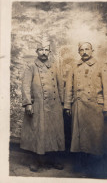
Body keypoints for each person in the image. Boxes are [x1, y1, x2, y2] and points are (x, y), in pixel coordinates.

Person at [64, 42, 107, 178]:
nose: (84, 52)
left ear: (92, 50)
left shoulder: (101, 66)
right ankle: (82, 168)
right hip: (78, 107)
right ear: (78, 52)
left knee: (95, 139)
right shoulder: (74, 67)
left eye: (87, 49)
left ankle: (94, 170)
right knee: (79, 139)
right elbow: (69, 87)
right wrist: (68, 105)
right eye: (81, 50)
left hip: (95, 108)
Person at [20, 37, 65, 172]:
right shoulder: (31, 67)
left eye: (46, 50)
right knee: (37, 132)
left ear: (49, 51)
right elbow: (25, 86)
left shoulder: (55, 66)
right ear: (37, 51)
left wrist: (63, 103)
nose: (44, 52)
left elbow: (60, 85)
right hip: (38, 105)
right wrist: (28, 103)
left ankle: (53, 159)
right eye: (41, 50)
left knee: (54, 132)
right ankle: (36, 160)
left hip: (54, 106)